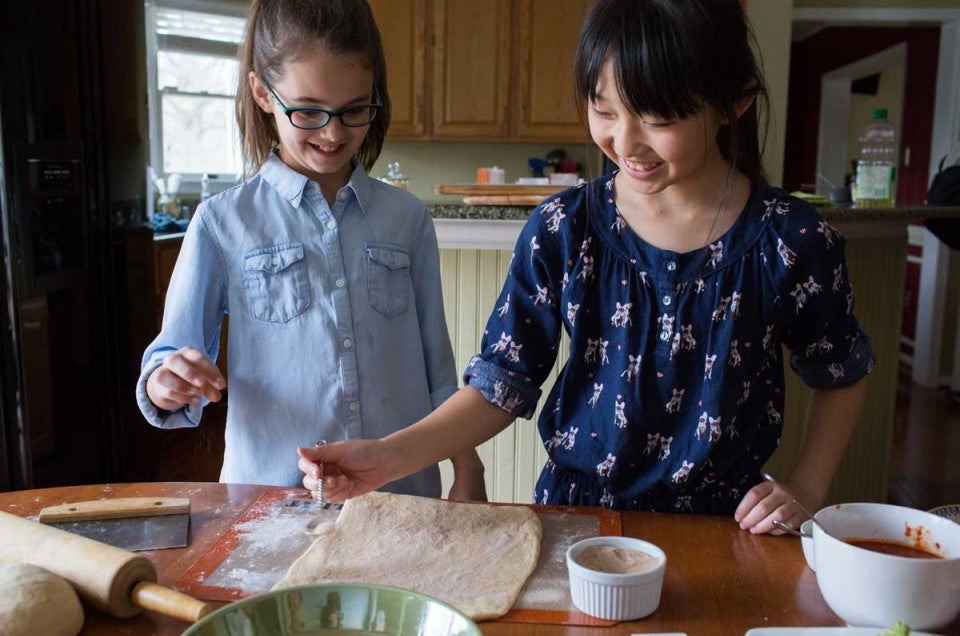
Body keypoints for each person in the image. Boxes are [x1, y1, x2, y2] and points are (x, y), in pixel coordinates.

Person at [298, 0, 874, 534]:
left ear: (735, 100)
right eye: (604, 109)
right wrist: (386, 456)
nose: (625, 142)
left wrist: (807, 486)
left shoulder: (792, 240)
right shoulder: (564, 228)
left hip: (727, 528)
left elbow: (841, 373)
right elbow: (500, 385)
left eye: (657, 117)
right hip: (577, 519)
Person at [137, 0, 486, 499]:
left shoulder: (407, 220)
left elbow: (438, 368)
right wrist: (166, 383)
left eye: (355, 110)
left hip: (402, 499)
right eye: (308, 111)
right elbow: (169, 357)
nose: (334, 132)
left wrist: (467, 467)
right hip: (269, 500)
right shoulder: (221, 223)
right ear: (262, 92)